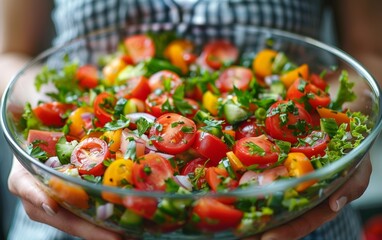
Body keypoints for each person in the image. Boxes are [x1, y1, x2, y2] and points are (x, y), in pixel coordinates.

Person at [0, 0, 380, 239]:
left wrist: (347, 146)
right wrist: (36, 145)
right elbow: (11, 53)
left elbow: (370, 53)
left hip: (302, 214)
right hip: (74, 212)